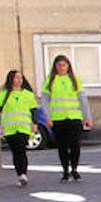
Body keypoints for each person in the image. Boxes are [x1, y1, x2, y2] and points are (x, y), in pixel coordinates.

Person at [40, 54, 91, 182]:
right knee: (62, 147)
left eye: (64, 65)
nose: (62, 67)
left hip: (74, 117)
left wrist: (87, 117)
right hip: (58, 119)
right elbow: (45, 101)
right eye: (59, 65)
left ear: (68, 66)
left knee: (75, 145)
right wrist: (48, 117)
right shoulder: (49, 81)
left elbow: (82, 99)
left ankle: (74, 168)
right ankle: (65, 170)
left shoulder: (75, 80)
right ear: (55, 67)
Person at [0, 70, 41, 187]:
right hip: (10, 129)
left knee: (21, 150)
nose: (19, 80)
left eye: (21, 78)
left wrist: (35, 123)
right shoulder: (3, 94)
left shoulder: (28, 94)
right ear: (11, 79)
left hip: (24, 128)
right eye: (16, 78)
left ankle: (23, 174)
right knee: (16, 152)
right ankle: (20, 174)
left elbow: (34, 110)